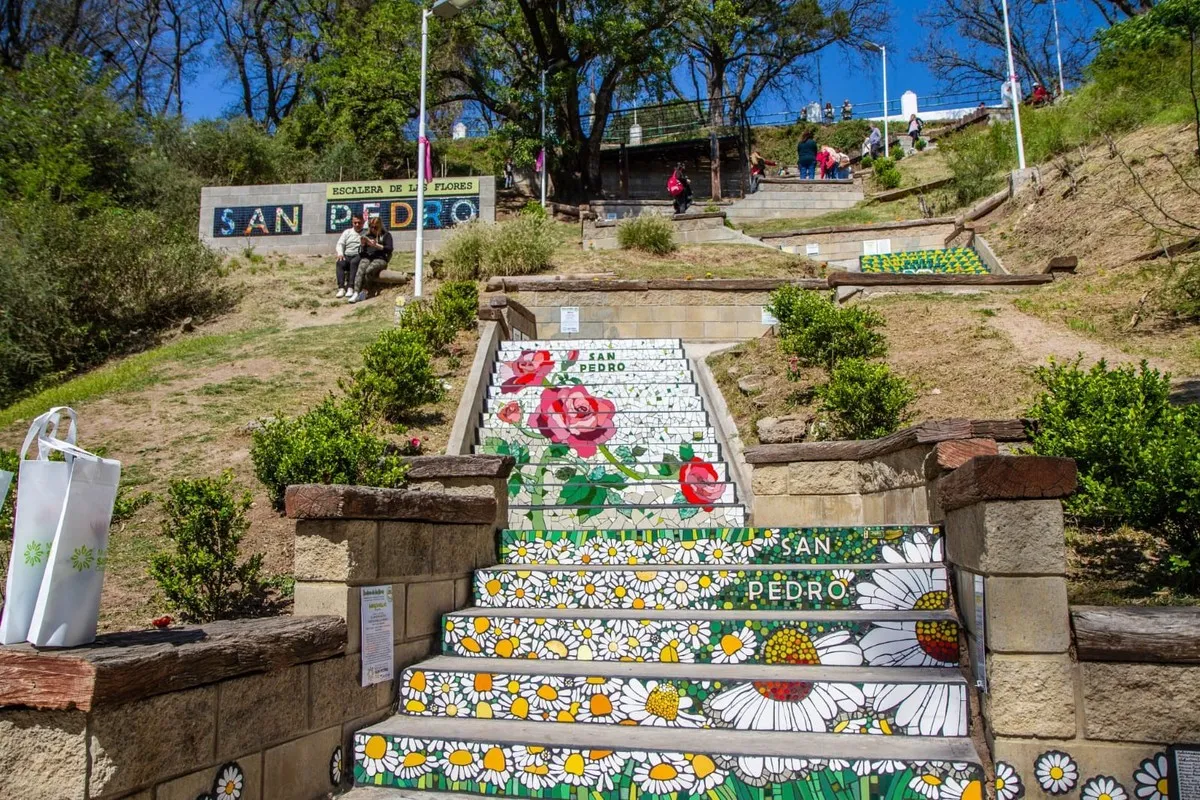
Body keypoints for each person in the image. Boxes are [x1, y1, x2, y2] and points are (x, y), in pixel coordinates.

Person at [349, 216, 393, 304]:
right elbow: (362, 253)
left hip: (380, 258)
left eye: (375, 227)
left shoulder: (386, 235)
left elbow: (389, 249)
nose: (373, 229)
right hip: (368, 256)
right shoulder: (368, 235)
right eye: (371, 227)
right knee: (361, 269)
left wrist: (377, 245)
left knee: (370, 270)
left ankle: (365, 290)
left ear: (380, 226)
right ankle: (356, 292)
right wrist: (362, 245)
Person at [334, 213, 363, 298]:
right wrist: (340, 253)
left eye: (359, 223)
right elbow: (340, 244)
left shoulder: (366, 233)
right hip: (347, 255)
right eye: (355, 223)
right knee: (340, 263)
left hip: (358, 255)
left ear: (363, 222)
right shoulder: (347, 232)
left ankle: (350, 287)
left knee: (354, 262)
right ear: (352, 222)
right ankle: (341, 288)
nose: (357, 225)